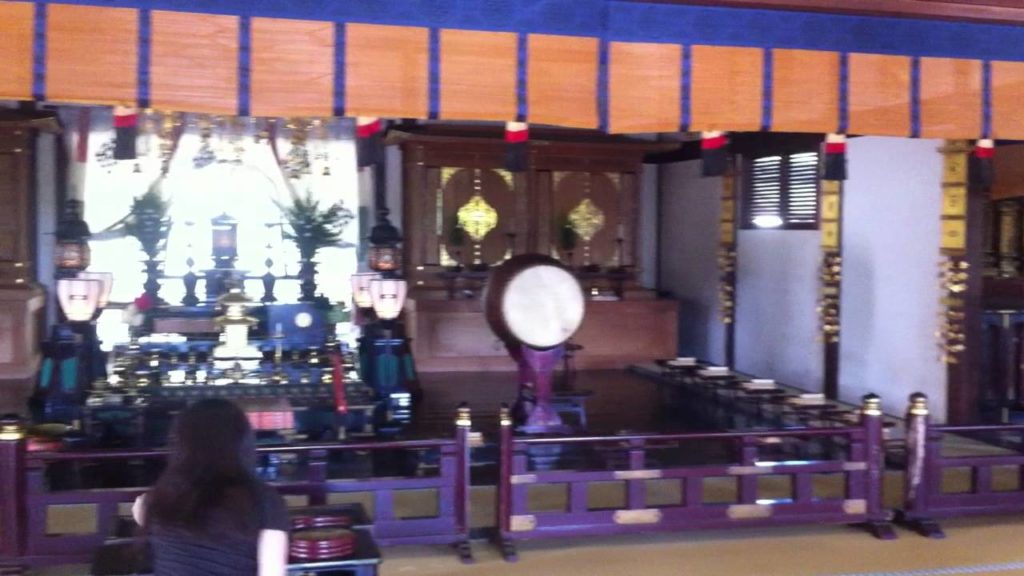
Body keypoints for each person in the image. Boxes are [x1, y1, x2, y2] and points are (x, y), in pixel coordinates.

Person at [132, 398, 289, 575]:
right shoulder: (265, 500)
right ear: (243, 442)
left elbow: (142, 512)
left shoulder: (156, 500)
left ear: (182, 443)